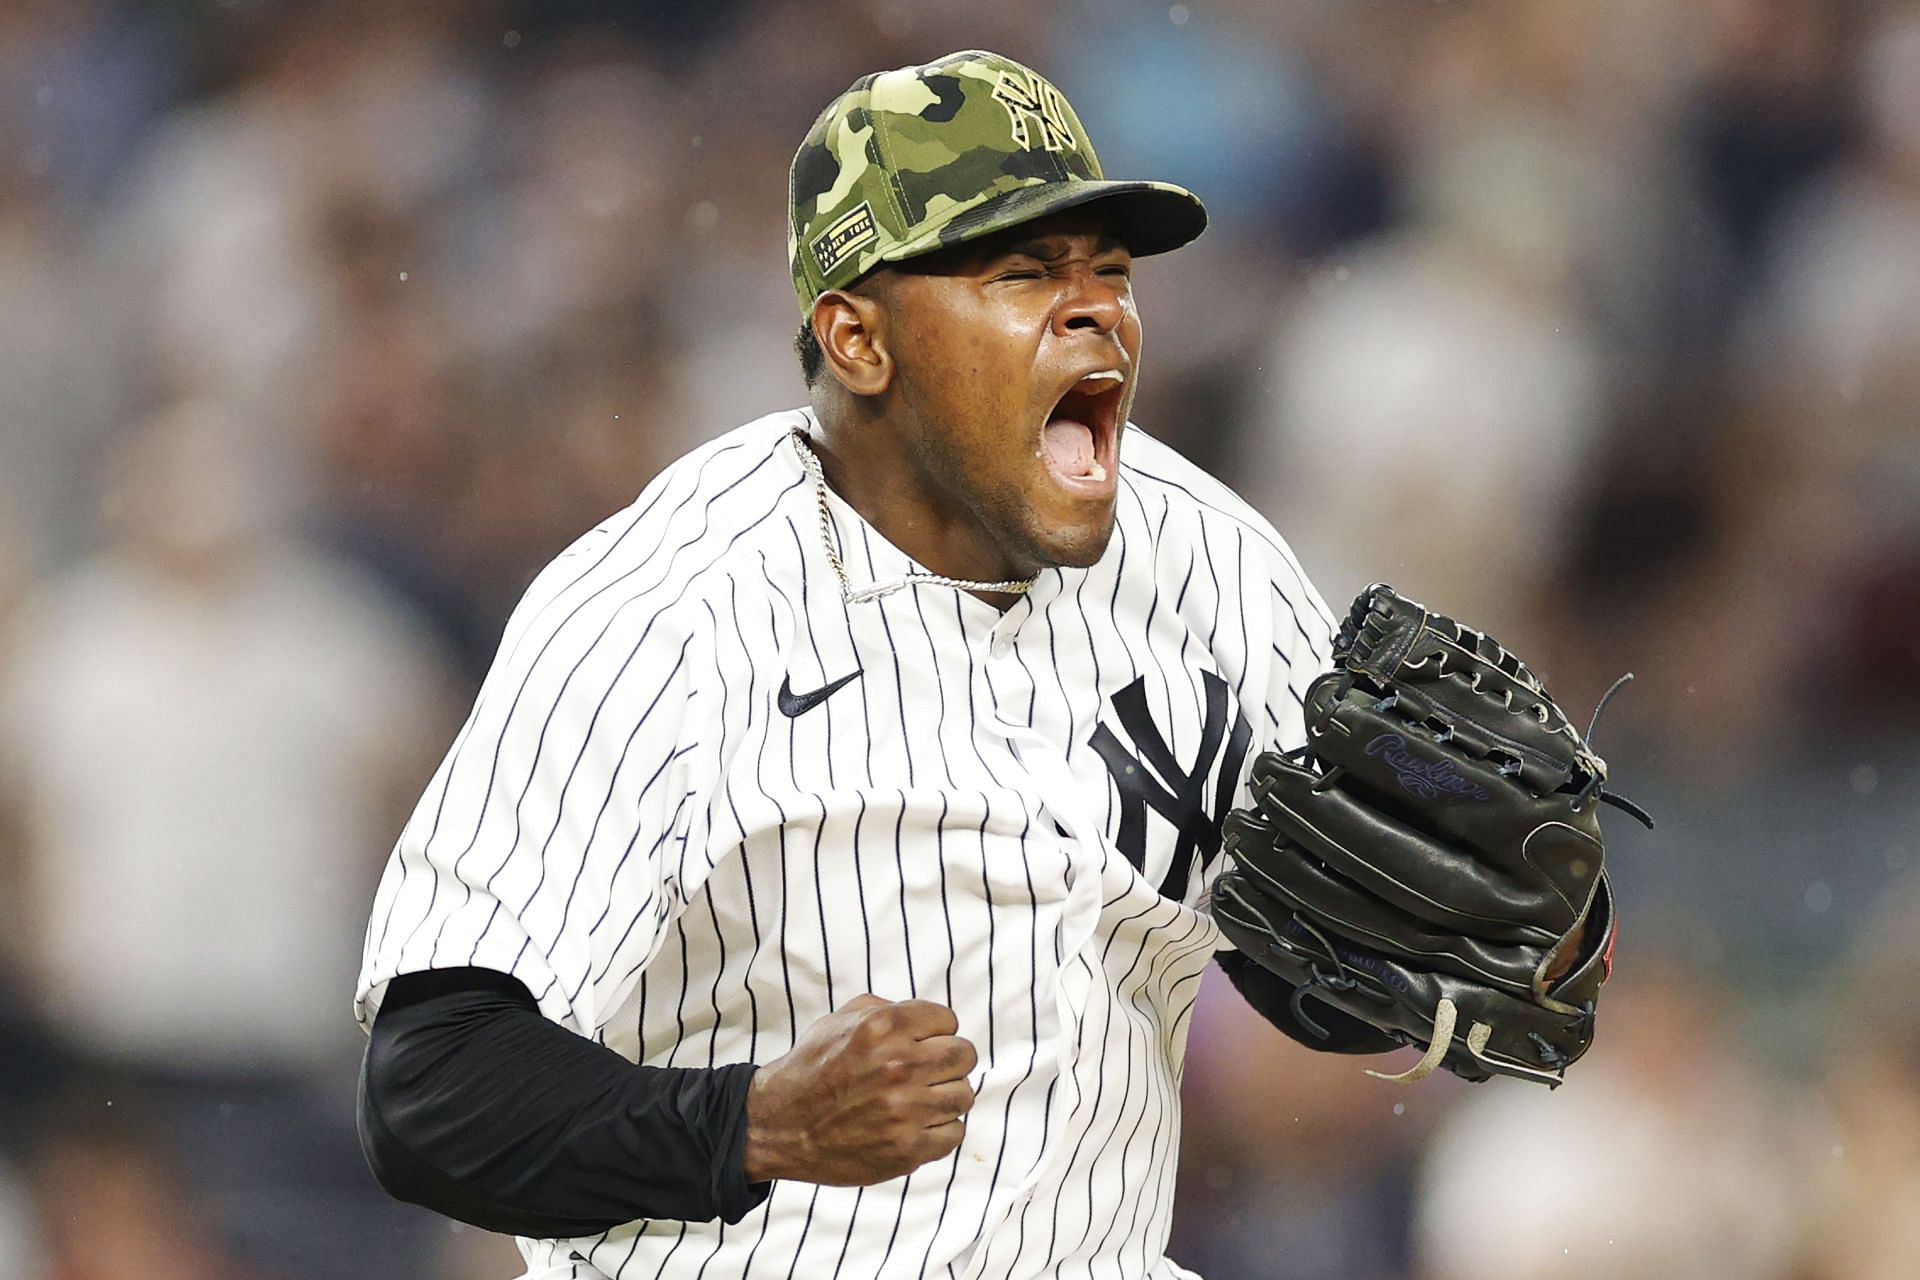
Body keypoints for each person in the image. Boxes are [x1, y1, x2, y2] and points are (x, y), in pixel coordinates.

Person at [355, 50, 1403, 1280]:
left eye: (1108, 272)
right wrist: (751, 1125)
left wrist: (1501, 945)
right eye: (1023, 274)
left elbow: (1325, 964)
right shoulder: (668, 604)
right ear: (856, 338)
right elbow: (433, 1085)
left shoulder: (1210, 561)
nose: (1096, 311)